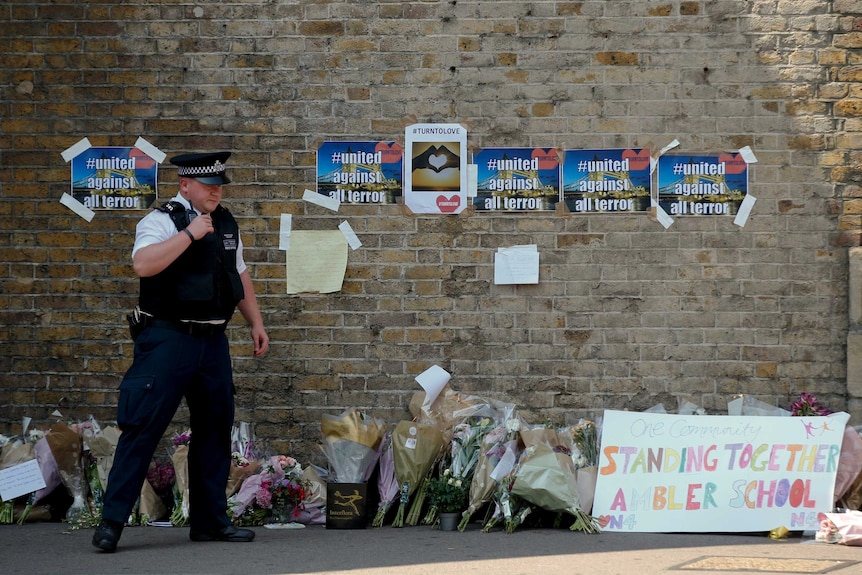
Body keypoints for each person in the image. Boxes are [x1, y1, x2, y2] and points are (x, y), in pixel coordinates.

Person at [93, 152, 269, 552]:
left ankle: (210, 522)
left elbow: (237, 273)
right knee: (142, 428)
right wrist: (189, 233)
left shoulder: (225, 222)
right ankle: (111, 523)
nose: (215, 192)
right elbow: (143, 264)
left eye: (219, 185)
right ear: (185, 184)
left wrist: (255, 323)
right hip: (166, 339)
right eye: (208, 186)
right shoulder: (160, 220)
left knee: (214, 432)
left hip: (212, 342)